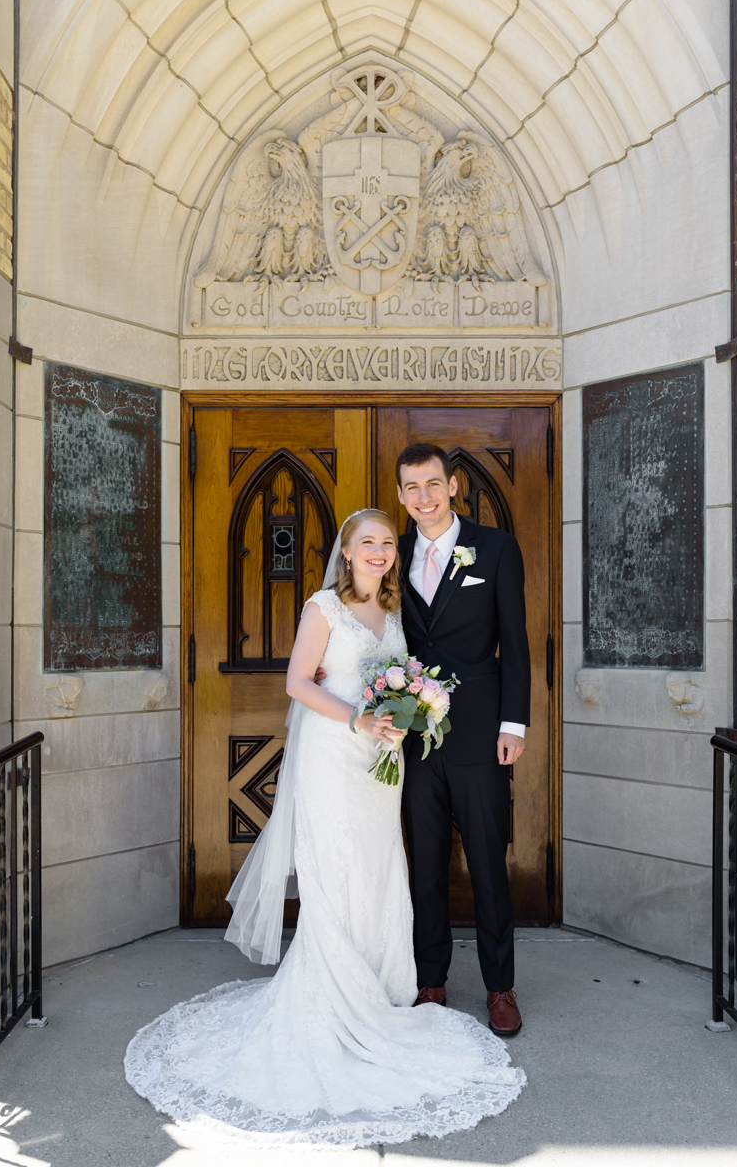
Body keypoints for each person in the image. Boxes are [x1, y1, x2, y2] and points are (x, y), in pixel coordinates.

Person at [124, 509, 524, 1149]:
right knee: (335, 867)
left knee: (377, 866)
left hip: (379, 765)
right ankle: (333, 991)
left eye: (388, 543)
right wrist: (358, 721)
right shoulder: (323, 609)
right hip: (332, 758)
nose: (379, 551)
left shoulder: (394, 618)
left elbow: (402, 683)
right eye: (367, 542)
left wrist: (408, 713)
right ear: (345, 552)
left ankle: (383, 982)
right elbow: (296, 682)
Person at [395, 443, 531, 1036]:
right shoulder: (389, 554)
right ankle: (431, 980)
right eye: (411, 489)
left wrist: (514, 724)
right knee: (424, 863)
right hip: (412, 735)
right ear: (400, 496)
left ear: (452, 486)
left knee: (486, 863)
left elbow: (516, 642)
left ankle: (500, 987)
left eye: (432, 485)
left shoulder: (495, 549)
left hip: (480, 731)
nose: (422, 498)